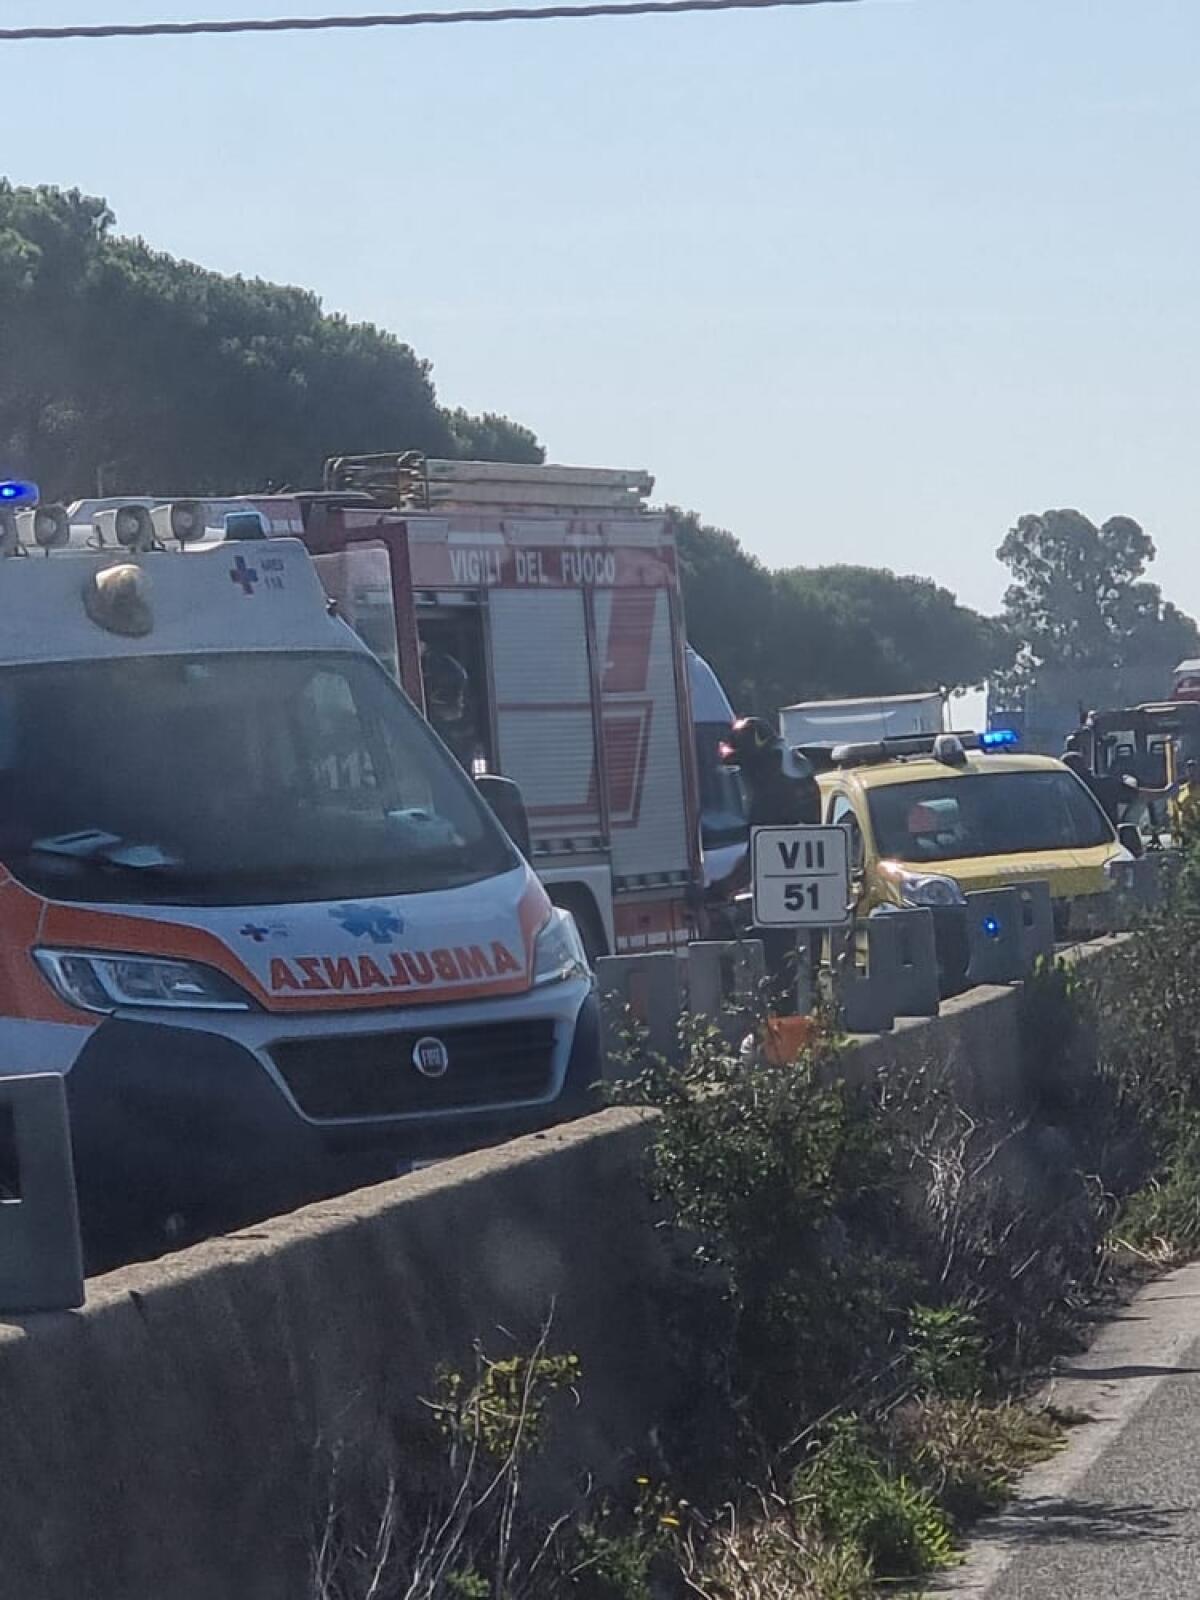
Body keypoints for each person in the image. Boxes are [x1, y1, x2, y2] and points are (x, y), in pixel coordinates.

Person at [707, 716, 821, 992]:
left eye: (745, 765)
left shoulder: (774, 793)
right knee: (803, 981)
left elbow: (761, 854)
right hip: (811, 902)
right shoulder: (793, 774)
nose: (744, 775)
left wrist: (719, 890)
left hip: (786, 907)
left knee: (781, 982)